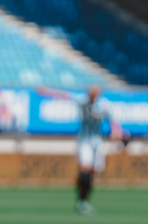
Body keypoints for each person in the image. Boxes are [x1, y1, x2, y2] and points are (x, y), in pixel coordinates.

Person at [37, 84, 123, 216]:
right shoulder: (82, 100)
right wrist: (48, 91)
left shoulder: (104, 105)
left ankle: (84, 199)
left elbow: (114, 121)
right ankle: (81, 200)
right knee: (85, 167)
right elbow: (65, 95)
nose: (92, 96)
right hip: (84, 139)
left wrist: (116, 132)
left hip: (97, 140)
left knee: (93, 171)